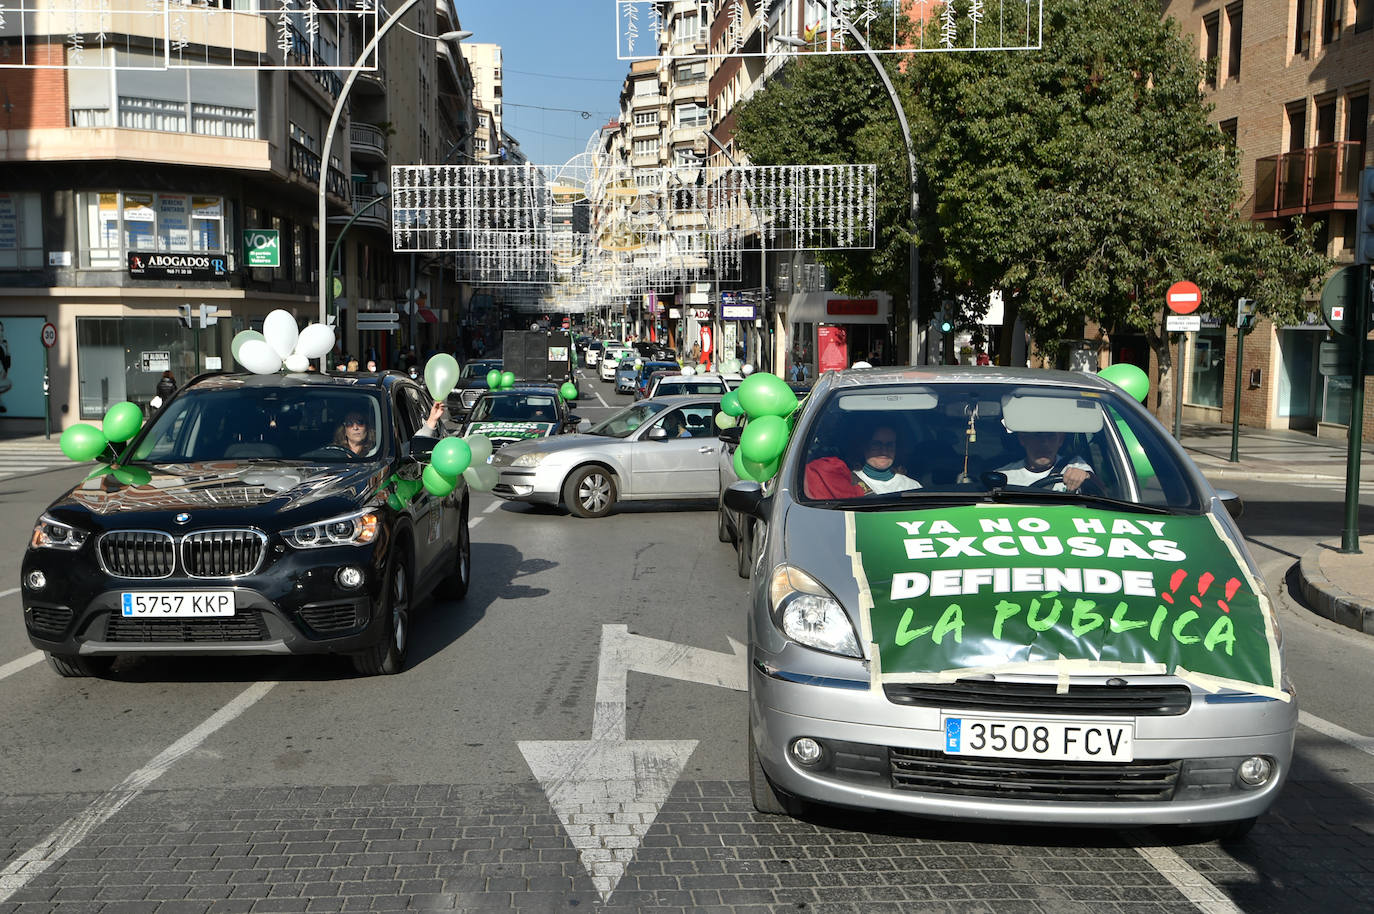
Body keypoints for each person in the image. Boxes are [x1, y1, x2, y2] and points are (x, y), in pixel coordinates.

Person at [804, 423, 920, 497]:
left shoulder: (912, 486)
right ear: (863, 447)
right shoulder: (846, 482)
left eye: (890, 445)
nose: (884, 450)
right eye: (876, 444)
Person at [997, 431, 1094, 491]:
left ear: (1060, 440)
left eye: (1051, 436)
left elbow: (1102, 491)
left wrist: (1085, 475)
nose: (1045, 443)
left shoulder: (1076, 465)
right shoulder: (1003, 476)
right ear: (1023, 439)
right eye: (1037, 436)